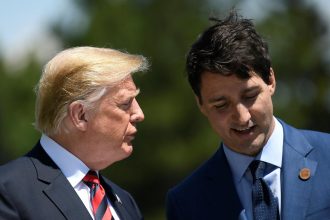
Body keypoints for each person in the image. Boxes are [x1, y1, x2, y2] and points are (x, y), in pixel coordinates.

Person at [166, 11, 330, 220]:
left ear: (270, 80)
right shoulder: (186, 202)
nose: (242, 117)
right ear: (200, 103)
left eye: (250, 96)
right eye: (221, 105)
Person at [0, 46, 148, 220]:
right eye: (125, 103)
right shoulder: (8, 191)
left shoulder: (124, 201)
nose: (139, 114)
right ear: (81, 115)